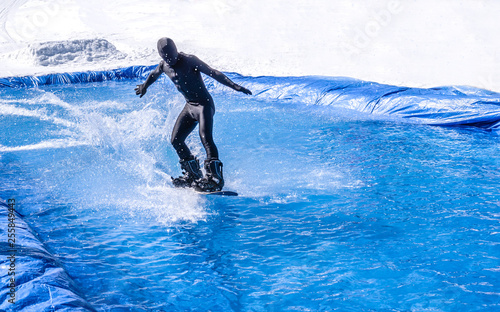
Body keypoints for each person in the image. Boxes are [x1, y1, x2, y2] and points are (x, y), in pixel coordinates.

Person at [135, 37, 252, 192]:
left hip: (204, 105)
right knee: (176, 140)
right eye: (167, 57)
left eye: (172, 55)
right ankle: (193, 174)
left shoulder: (189, 60)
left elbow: (213, 72)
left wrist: (234, 86)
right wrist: (145, 86)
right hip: (190, 106)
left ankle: (215, 179)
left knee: (205, 137)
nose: (171, 59)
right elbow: (153, 74)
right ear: (162, 57)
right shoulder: (164, 65)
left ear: (176, 50)